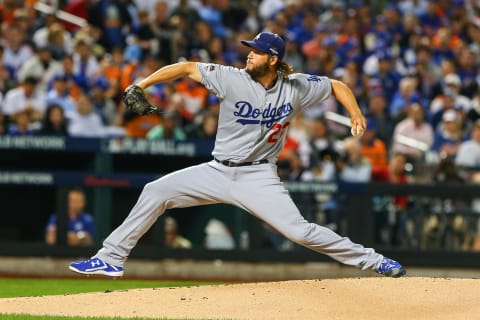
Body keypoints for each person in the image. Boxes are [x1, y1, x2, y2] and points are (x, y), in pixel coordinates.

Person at [69, 32, 406, 278]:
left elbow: (336, 85)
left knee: (300, 232)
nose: (249, 55)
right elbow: (185, 68)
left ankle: (373, 260)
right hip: (217, 171)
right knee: (155, 191)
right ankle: (111, 257)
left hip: (258, 176)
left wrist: (356, 113)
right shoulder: (230, 78)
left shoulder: (295, 86)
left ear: (273, 59)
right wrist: (142, 84)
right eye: (250, 49)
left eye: (257, 52)